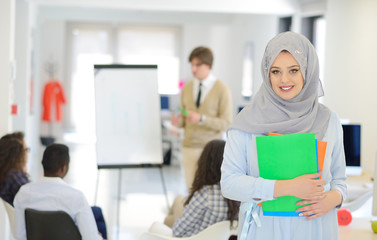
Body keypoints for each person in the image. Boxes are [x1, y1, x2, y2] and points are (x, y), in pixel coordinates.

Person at [220, 31, 347, 240]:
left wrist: (332, 198)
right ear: (266, 73)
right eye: (276, 71)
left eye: (294, 70)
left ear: (307, 71)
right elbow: (229, 183)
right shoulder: (248, 121)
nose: (284, 80)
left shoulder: (329, 121)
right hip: (265, 230)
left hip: (316, 228)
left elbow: (340, 180)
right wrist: (285, 188)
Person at [171, 46, 233, 190]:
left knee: (207, 191)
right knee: (190, 189)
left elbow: (226, 123)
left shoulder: (222, 89)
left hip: (209, 150)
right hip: (188, 147)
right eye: (192, 64)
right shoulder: (186, 88)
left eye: (197, 65)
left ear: (208, 65)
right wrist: (178, 122)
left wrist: (202, 119)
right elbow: (184, 119)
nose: (193, 69)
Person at [150, 139, 239, 238]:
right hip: (220, 235)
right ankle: (168, 219)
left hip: (193, 237)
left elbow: (177, 231)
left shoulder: (205, 193)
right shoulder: (238, 193)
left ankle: (168, 220)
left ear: (206, 163)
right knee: (175, 206)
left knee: (156, 225)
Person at [14, 143, 104, 240]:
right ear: (63, 168)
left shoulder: (23, 193)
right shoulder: (76, 197)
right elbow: (90, 238)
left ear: (43, 164)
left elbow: (19, 236)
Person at [0, 135, 29, 206]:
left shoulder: (7, 174)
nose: (26, 153)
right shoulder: (14, 176)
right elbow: (31, 197)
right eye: (24, 150)